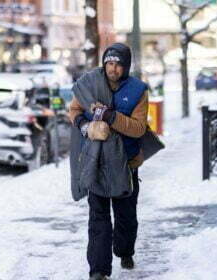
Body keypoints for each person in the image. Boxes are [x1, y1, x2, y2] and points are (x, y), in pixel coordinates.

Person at [69, 43, 149, 280]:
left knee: (125, 216)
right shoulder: (90, 83)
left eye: (118, 64)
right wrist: (85, 126)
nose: (113, 68)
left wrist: (111, 117)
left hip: (126, 164)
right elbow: (74, 110)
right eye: (109, 63)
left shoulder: (138, 91)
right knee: (98, 218)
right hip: (96, 161)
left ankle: (125, 251)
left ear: (126, 66)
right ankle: (99, 270)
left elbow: (137, 129)